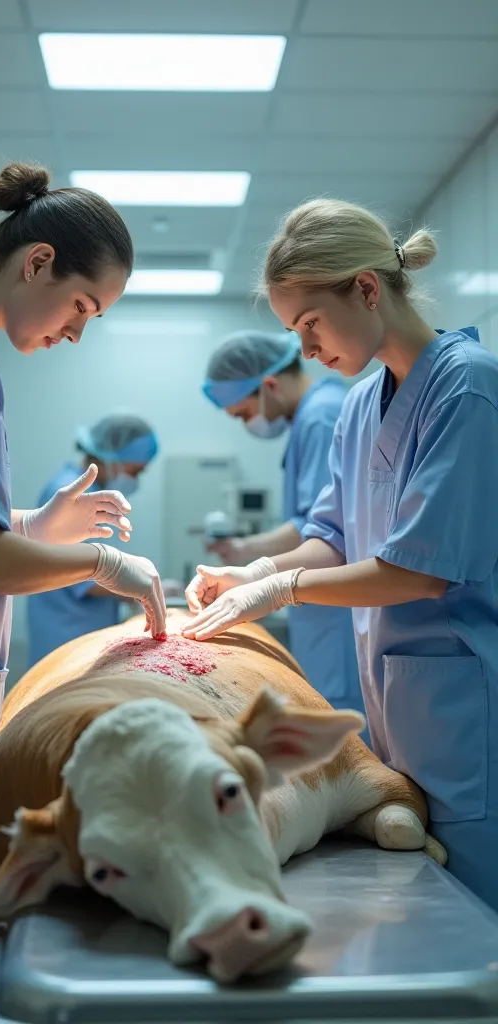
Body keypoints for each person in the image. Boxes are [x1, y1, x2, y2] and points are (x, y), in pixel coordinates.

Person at [183, 197, 498, 913]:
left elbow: (419, 570)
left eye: (310, 323)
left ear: (366, 287)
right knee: (418, 907)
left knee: (477, 919)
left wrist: (283, 589)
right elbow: (333, 535)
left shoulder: (468, 387)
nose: (307, 348)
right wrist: (254, 574)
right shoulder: (358, 407)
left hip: (466, 710)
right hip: (397, 711)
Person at [0, 161, 166, 1024]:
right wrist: (96, 565)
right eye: (82, 309)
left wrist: (35, 522)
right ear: (37, 263)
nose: (75, 333)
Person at [201, 330, 365, 722]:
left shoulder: (322, 416)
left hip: (335, 612)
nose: (246, 423)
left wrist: (250, 561)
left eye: (243, 413)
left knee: (339, 733)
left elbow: (322, 529)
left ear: (269, 385)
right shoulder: (311, 416)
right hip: (319, 608)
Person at [27, 413, 159, 665]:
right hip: (66, 636)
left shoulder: (88, 492)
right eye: (135, 471)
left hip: (79, 630)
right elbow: (84, 578)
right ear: (112, 457)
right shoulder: (71, 492)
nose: (135, 480)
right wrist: (141, 587)